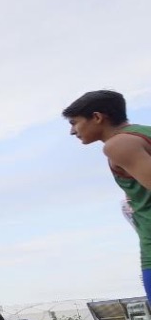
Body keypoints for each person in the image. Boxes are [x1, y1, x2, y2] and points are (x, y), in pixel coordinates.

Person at [63, 90, 151, 300]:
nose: (73, 132)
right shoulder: (144, 133)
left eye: (74, 123)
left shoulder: (118, 144)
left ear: (97, 117)